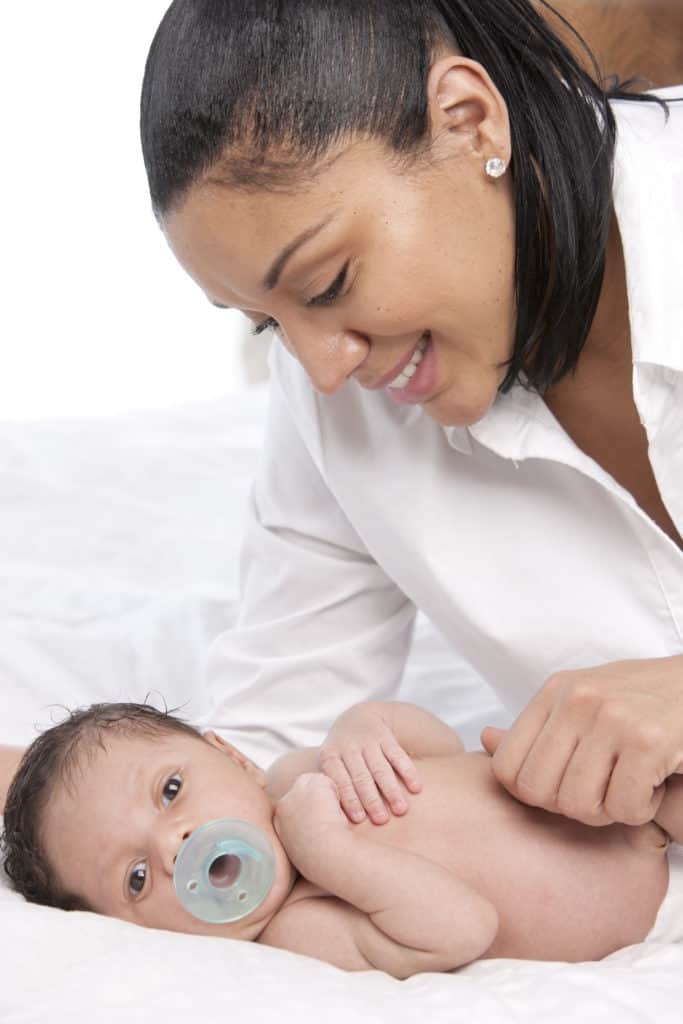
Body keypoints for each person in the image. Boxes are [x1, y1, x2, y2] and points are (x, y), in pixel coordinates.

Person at [133, 0, 683, 838]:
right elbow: (267, 746)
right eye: (268, 323)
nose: (323, 369)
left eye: (325, 284)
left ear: (469, 122)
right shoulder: (336, 406)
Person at [3, 699, 683, 977]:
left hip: (611, 790)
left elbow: (436, 745)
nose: (172, 845)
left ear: (230, 756)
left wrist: (361, 727)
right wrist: (332, 854)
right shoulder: (300, 930)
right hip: (657, 902)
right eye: (136, 879)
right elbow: (461, 927)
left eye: (171, 791)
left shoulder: (299, 773)